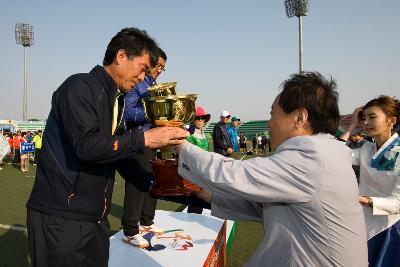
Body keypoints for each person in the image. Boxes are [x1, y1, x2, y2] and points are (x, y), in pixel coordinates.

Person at [25, 27, 189, 267]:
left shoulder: (118, 101)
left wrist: (156, 183)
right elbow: (87, 147)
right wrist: (146, 139)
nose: (144, 77)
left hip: (95, 219)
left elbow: (117, 155)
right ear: (121, 55)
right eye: (142, 68)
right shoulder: (79, 86)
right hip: (61, 217)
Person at [176, 72, 368, 266]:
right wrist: (203, 192)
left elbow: (234, 173)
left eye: (272, 113)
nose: (269, 123)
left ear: (299, 117)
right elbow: (263, 207)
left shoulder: (312, 156)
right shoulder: (330, 150)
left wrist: (180, 146)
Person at [340, 95, 400, 266]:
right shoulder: (366, 149)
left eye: (372, 117)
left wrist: (365, 200)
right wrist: (351, 126)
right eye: (364, 118)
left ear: (391, 121)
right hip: (361, 224)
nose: (366, 122)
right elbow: (334, 155)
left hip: (389, 230)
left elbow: (398, 202)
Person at [117, 47, 167, 248]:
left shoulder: (153, 85)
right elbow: (127, 112)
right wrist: (152, 113)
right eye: (158, 66)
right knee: (137, 183)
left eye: (163, 68)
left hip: (153, 139)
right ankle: (130, 230)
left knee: (151, 181)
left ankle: (146, 221)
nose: (160, 70)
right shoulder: (138, 83)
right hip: (138, 139)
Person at [186, 106, 211, 214]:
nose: (200, 121)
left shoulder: (203, 134)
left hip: (204, 169)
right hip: (194, 170)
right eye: (198, 118)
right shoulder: (190, 134)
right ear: (193, 120)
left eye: (202, 119)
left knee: (201, 198)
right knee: (195, 199)